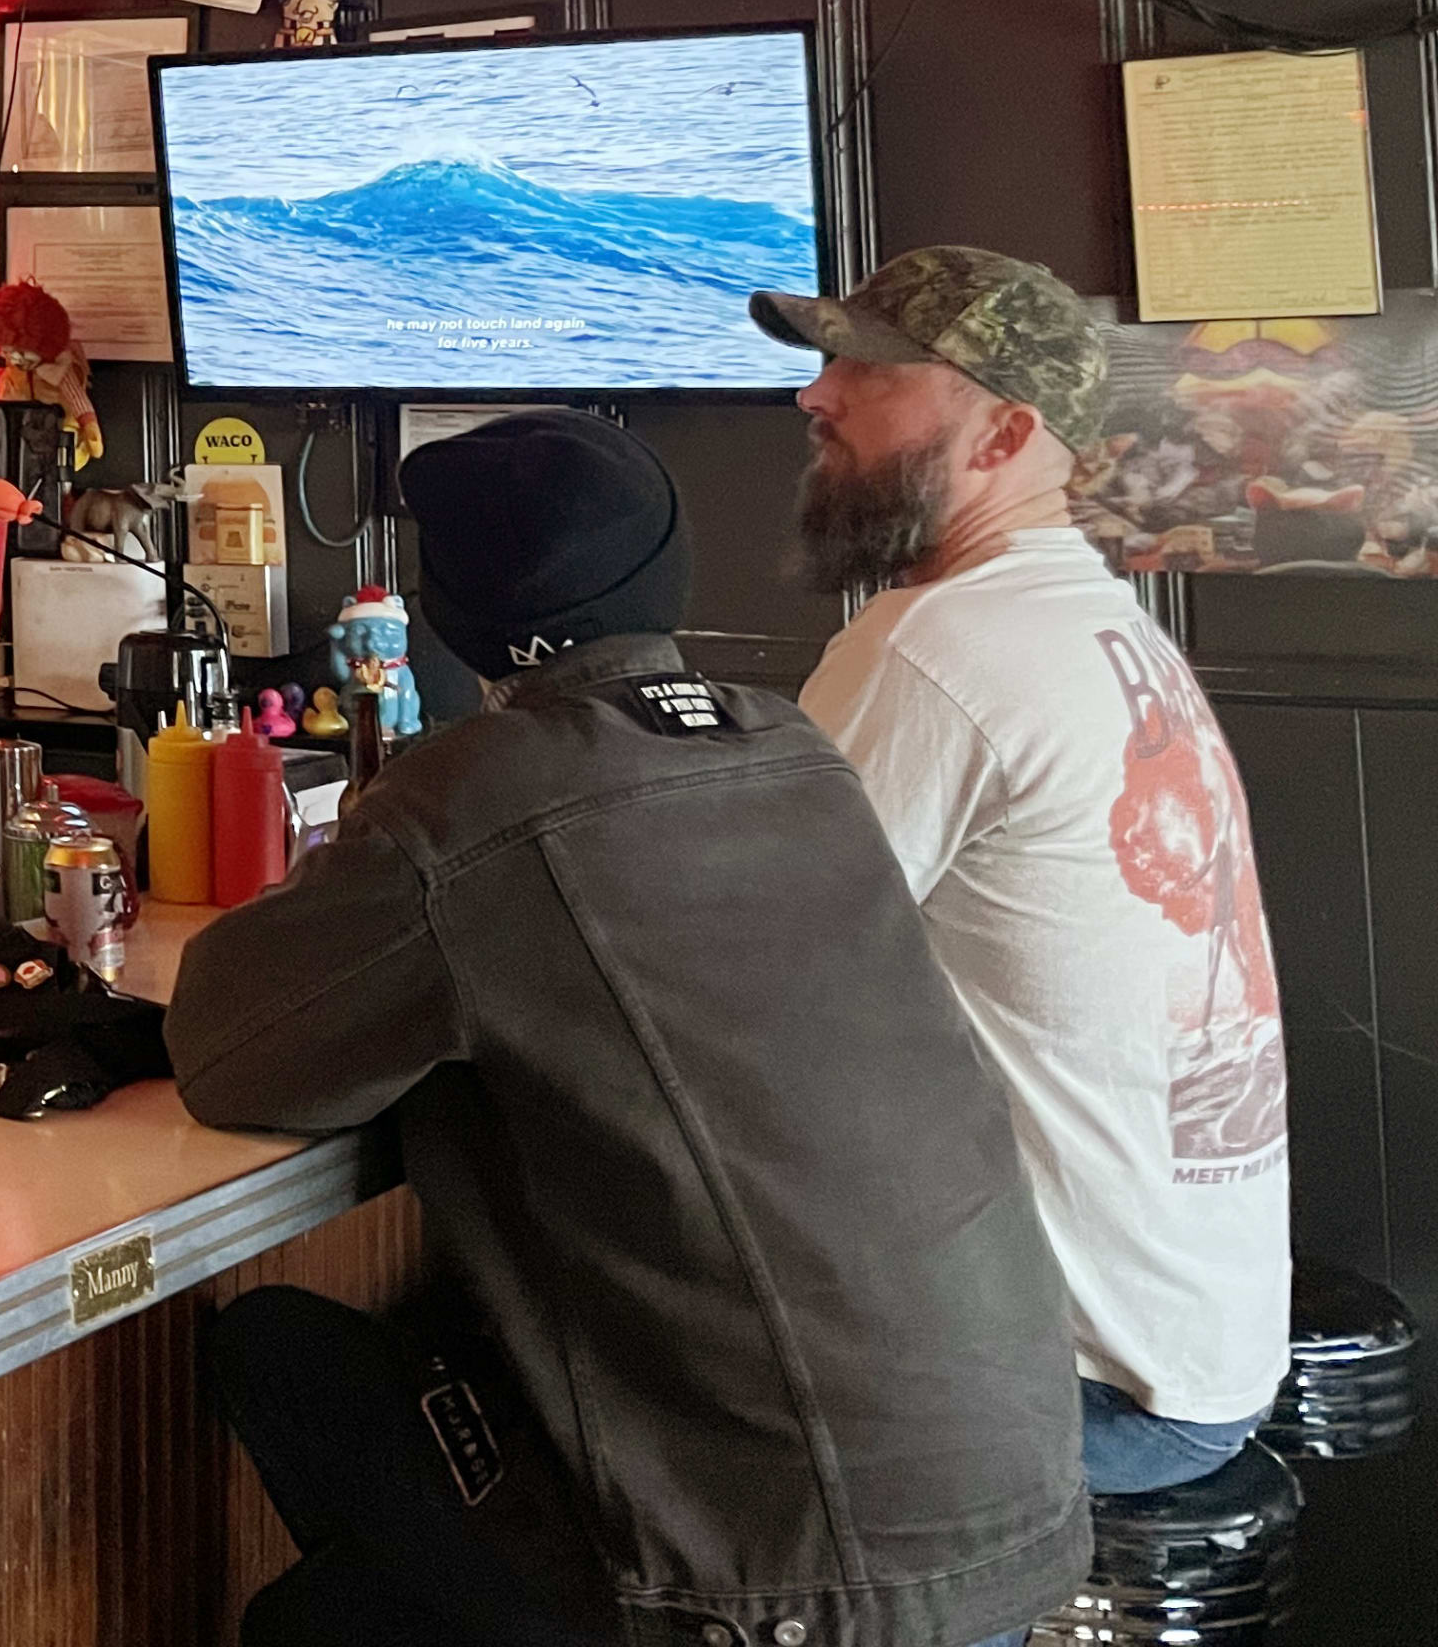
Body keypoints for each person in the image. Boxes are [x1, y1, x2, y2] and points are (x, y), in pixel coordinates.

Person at [168, 410, 1083, 1647]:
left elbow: (228, 1053)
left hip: (790, 1589)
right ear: (671, 571)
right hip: (1013, 1518)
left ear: (454, 611)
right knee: (322, 1445)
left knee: (281, 1377)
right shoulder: (792, 749)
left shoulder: (481, 796)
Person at [754, 247, 1290, 1492]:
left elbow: (743, 991)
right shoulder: (1099, 627)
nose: (814, 395)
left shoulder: (939, 645)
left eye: (865, 367)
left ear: (1001, 434)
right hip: (1196, 1343)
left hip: (1070, 1382)